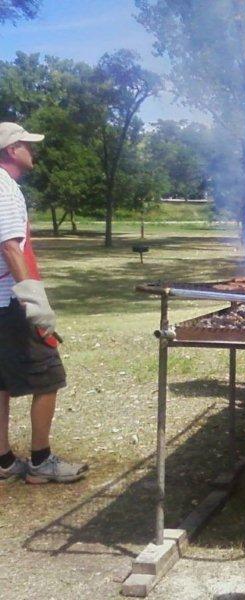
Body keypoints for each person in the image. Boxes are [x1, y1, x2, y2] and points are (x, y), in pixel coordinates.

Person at [0, 122, 87, 484]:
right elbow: (9, 247)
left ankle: (3, 461)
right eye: (26, 145)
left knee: (1, 382)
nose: (32, 150)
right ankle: (41, 460)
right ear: (11, 150)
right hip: (11, 304)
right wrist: (34, 300)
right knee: (49, 376)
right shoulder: (5, 188)